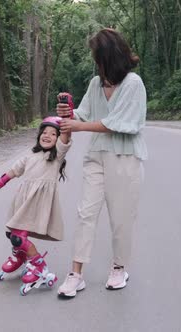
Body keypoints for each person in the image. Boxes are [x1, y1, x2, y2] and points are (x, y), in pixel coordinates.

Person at [55, 28, 148, 298]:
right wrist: (67, 114)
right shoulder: (96, 84)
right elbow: (83, 113)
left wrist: (80, 126)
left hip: (125, 158)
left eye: (98, 56)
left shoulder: (133, 83)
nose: (96, 62)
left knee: (121, 219)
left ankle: (119, 268)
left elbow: (122, 124)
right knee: (86, 214)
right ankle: (76, 274)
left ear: (110, 56)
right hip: (96, 157)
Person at [0, 116, 72, 295]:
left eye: (53, 133)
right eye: (44, 132)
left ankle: (40, 267)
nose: (47, 135)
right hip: (23, 199)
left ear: (58, 138)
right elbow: (14, 170)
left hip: (38, 202)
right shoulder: (30, 154)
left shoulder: (56, 156)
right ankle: (21, 257)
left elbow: (66, 137)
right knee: (11, 233)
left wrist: (66, 119)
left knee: (18, 238)